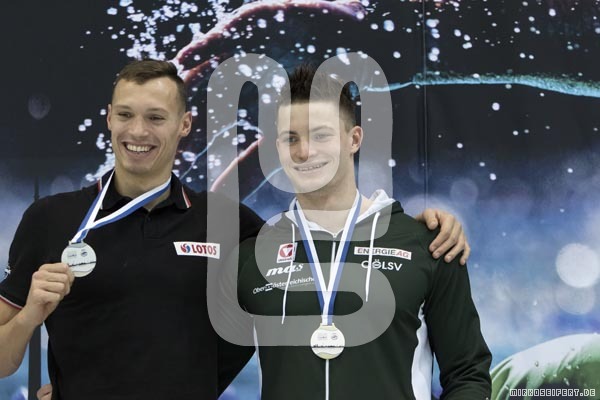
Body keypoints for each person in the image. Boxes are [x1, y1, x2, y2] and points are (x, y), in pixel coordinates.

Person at [0, 59, 470, 400]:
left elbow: (466, 372)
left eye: (156, 117)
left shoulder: (230, 225)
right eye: (125, 114)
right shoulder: (51, 219)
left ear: (184, 125)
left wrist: (423, 227)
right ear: (108, 117)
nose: (138, 131)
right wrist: (31, 325)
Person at [217, 63, 492, 400]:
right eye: (291, 138)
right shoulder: (252, 257)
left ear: (354, 139)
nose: (304, 151)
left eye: (321, 135)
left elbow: (468, 374)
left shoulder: (426, 245)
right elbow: (200, 374)